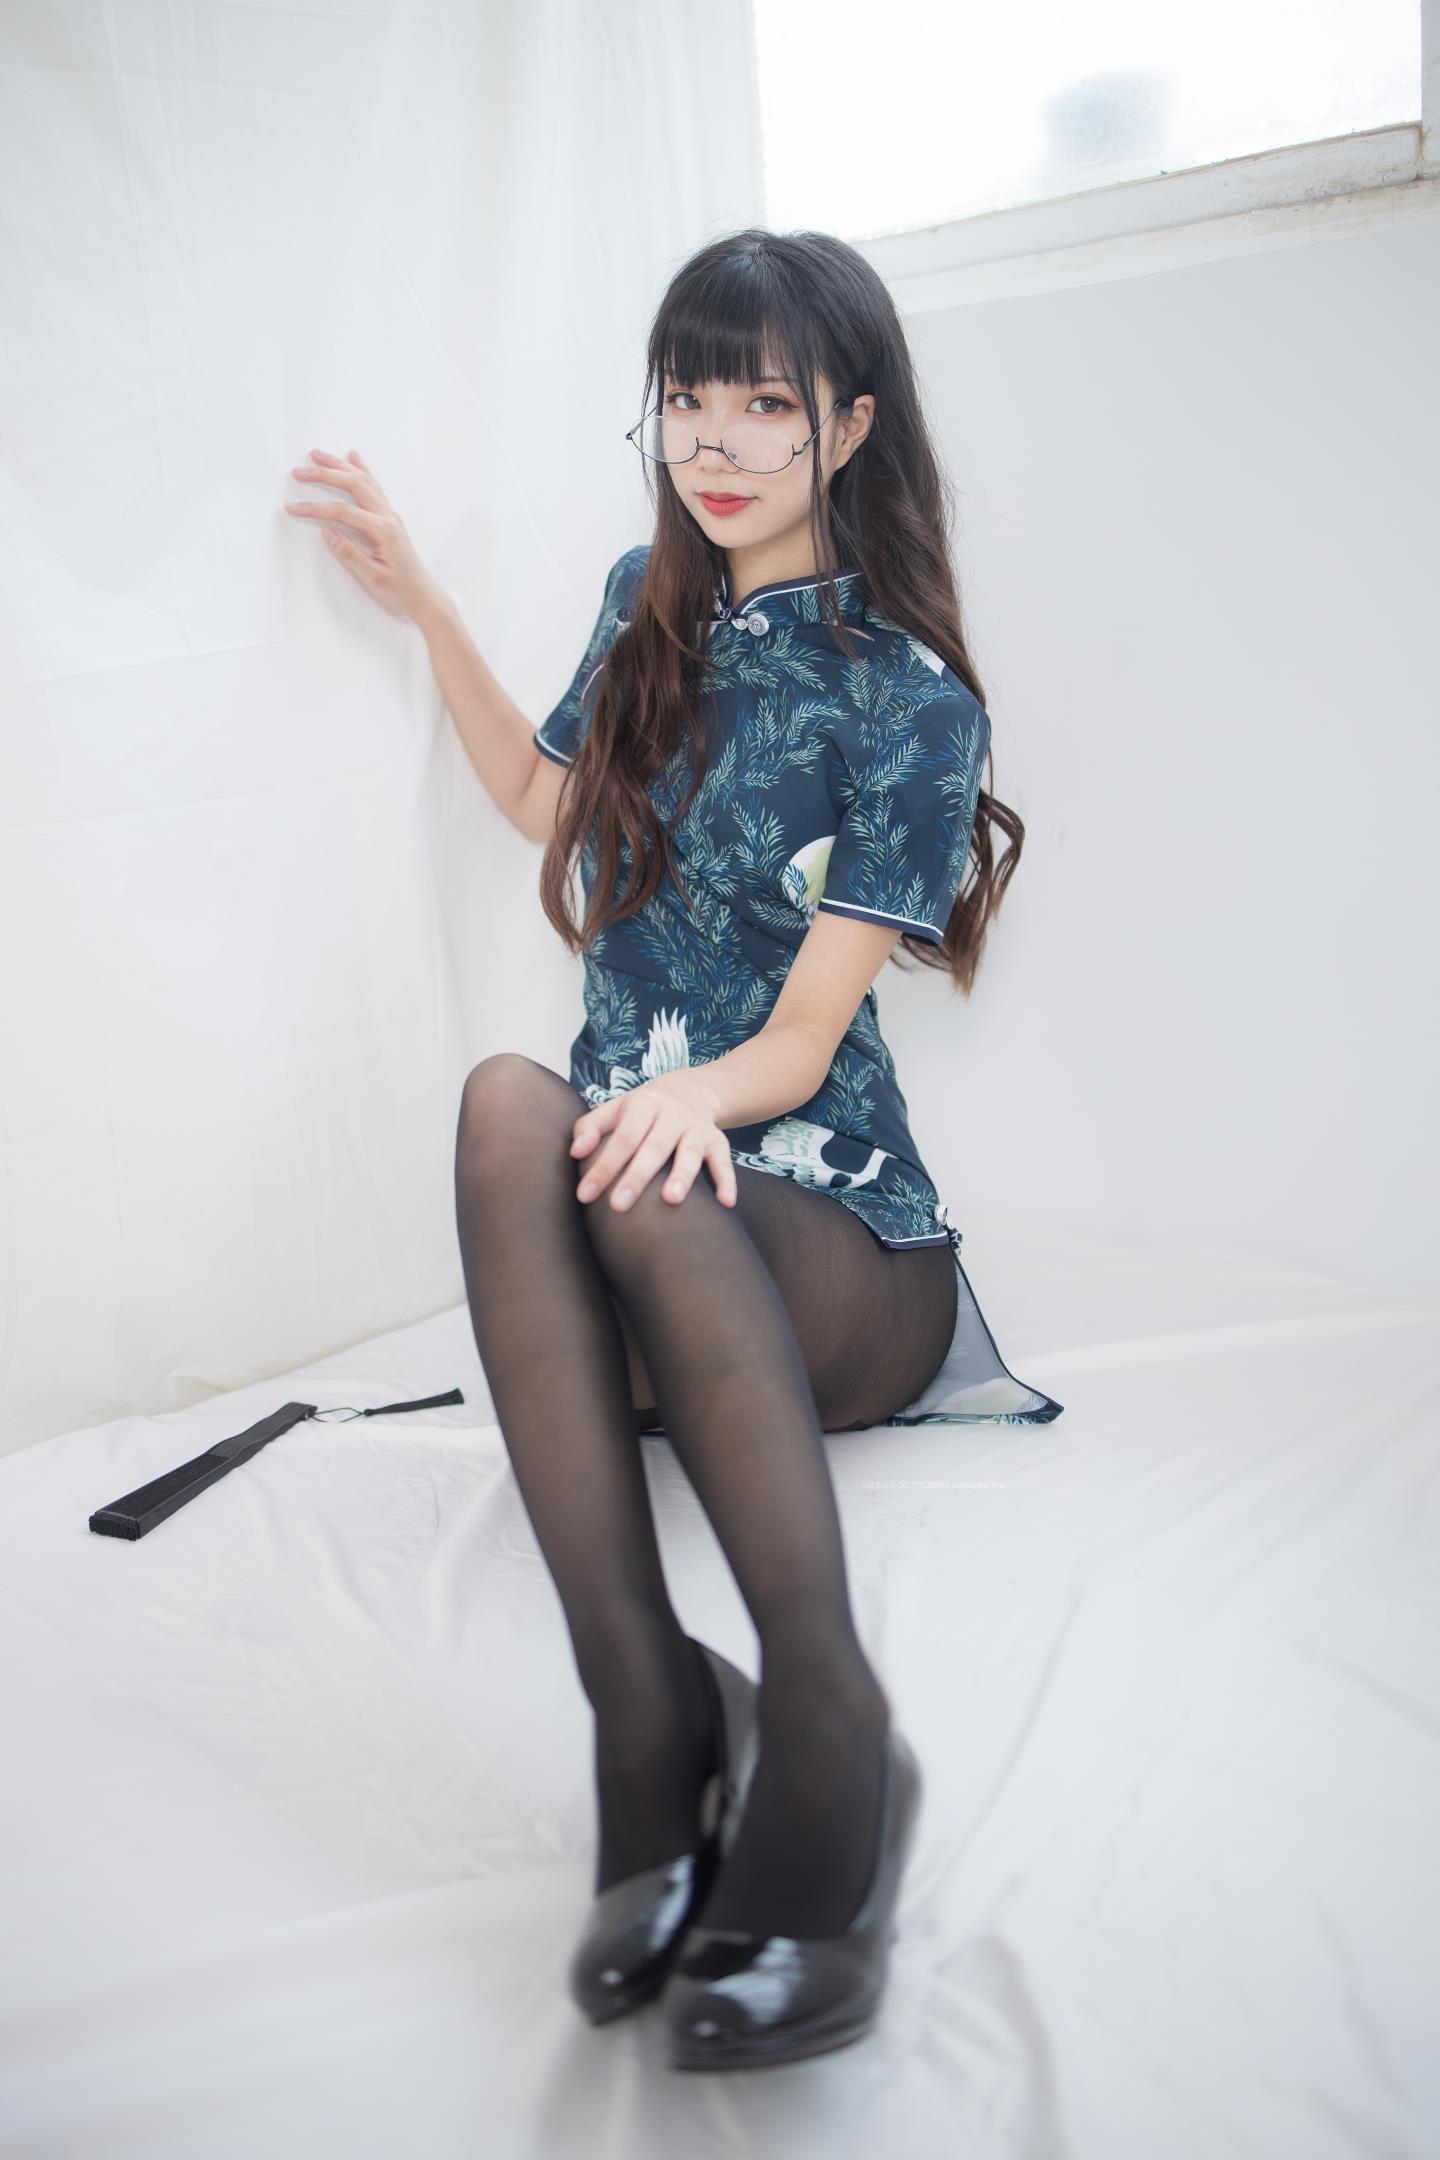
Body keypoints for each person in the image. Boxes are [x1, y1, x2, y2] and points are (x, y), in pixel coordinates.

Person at [283, 226, 1063, 2073]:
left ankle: (830, 1723)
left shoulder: (911, 700)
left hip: (841, 1253)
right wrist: (428, 608)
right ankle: (649, 1717)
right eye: (687, 399)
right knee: (507, 1101)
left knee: (640, 1167)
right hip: (656, 1208)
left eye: (767, 404)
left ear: (849, 426)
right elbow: (542, 798)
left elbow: (795, 1045)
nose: (714, 442)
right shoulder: (648, 599)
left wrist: (677, 1100)